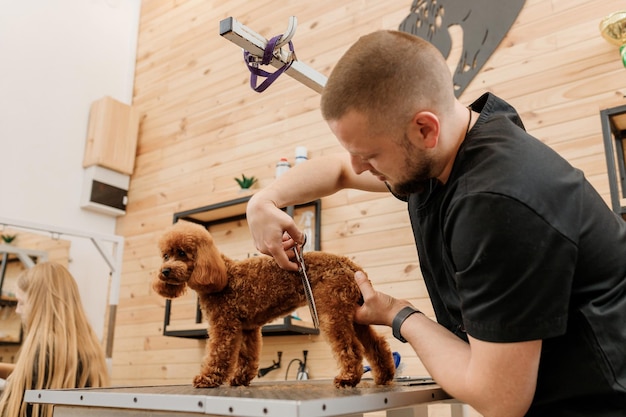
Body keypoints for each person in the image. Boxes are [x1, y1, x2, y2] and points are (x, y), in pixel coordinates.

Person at [246, 30, 626, 416]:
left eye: (369, 154)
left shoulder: (495, 202)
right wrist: (264, 200)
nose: (358, 166)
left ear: (425, 129)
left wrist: (399, 314)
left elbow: (499, 399)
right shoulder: (454, 148)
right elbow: (340, 170)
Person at [0, 262, 109, 417]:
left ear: (39, 303)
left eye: (22, 302)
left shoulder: (45, 347)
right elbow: (36, 373)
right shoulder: (84, 346)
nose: (17, 310)